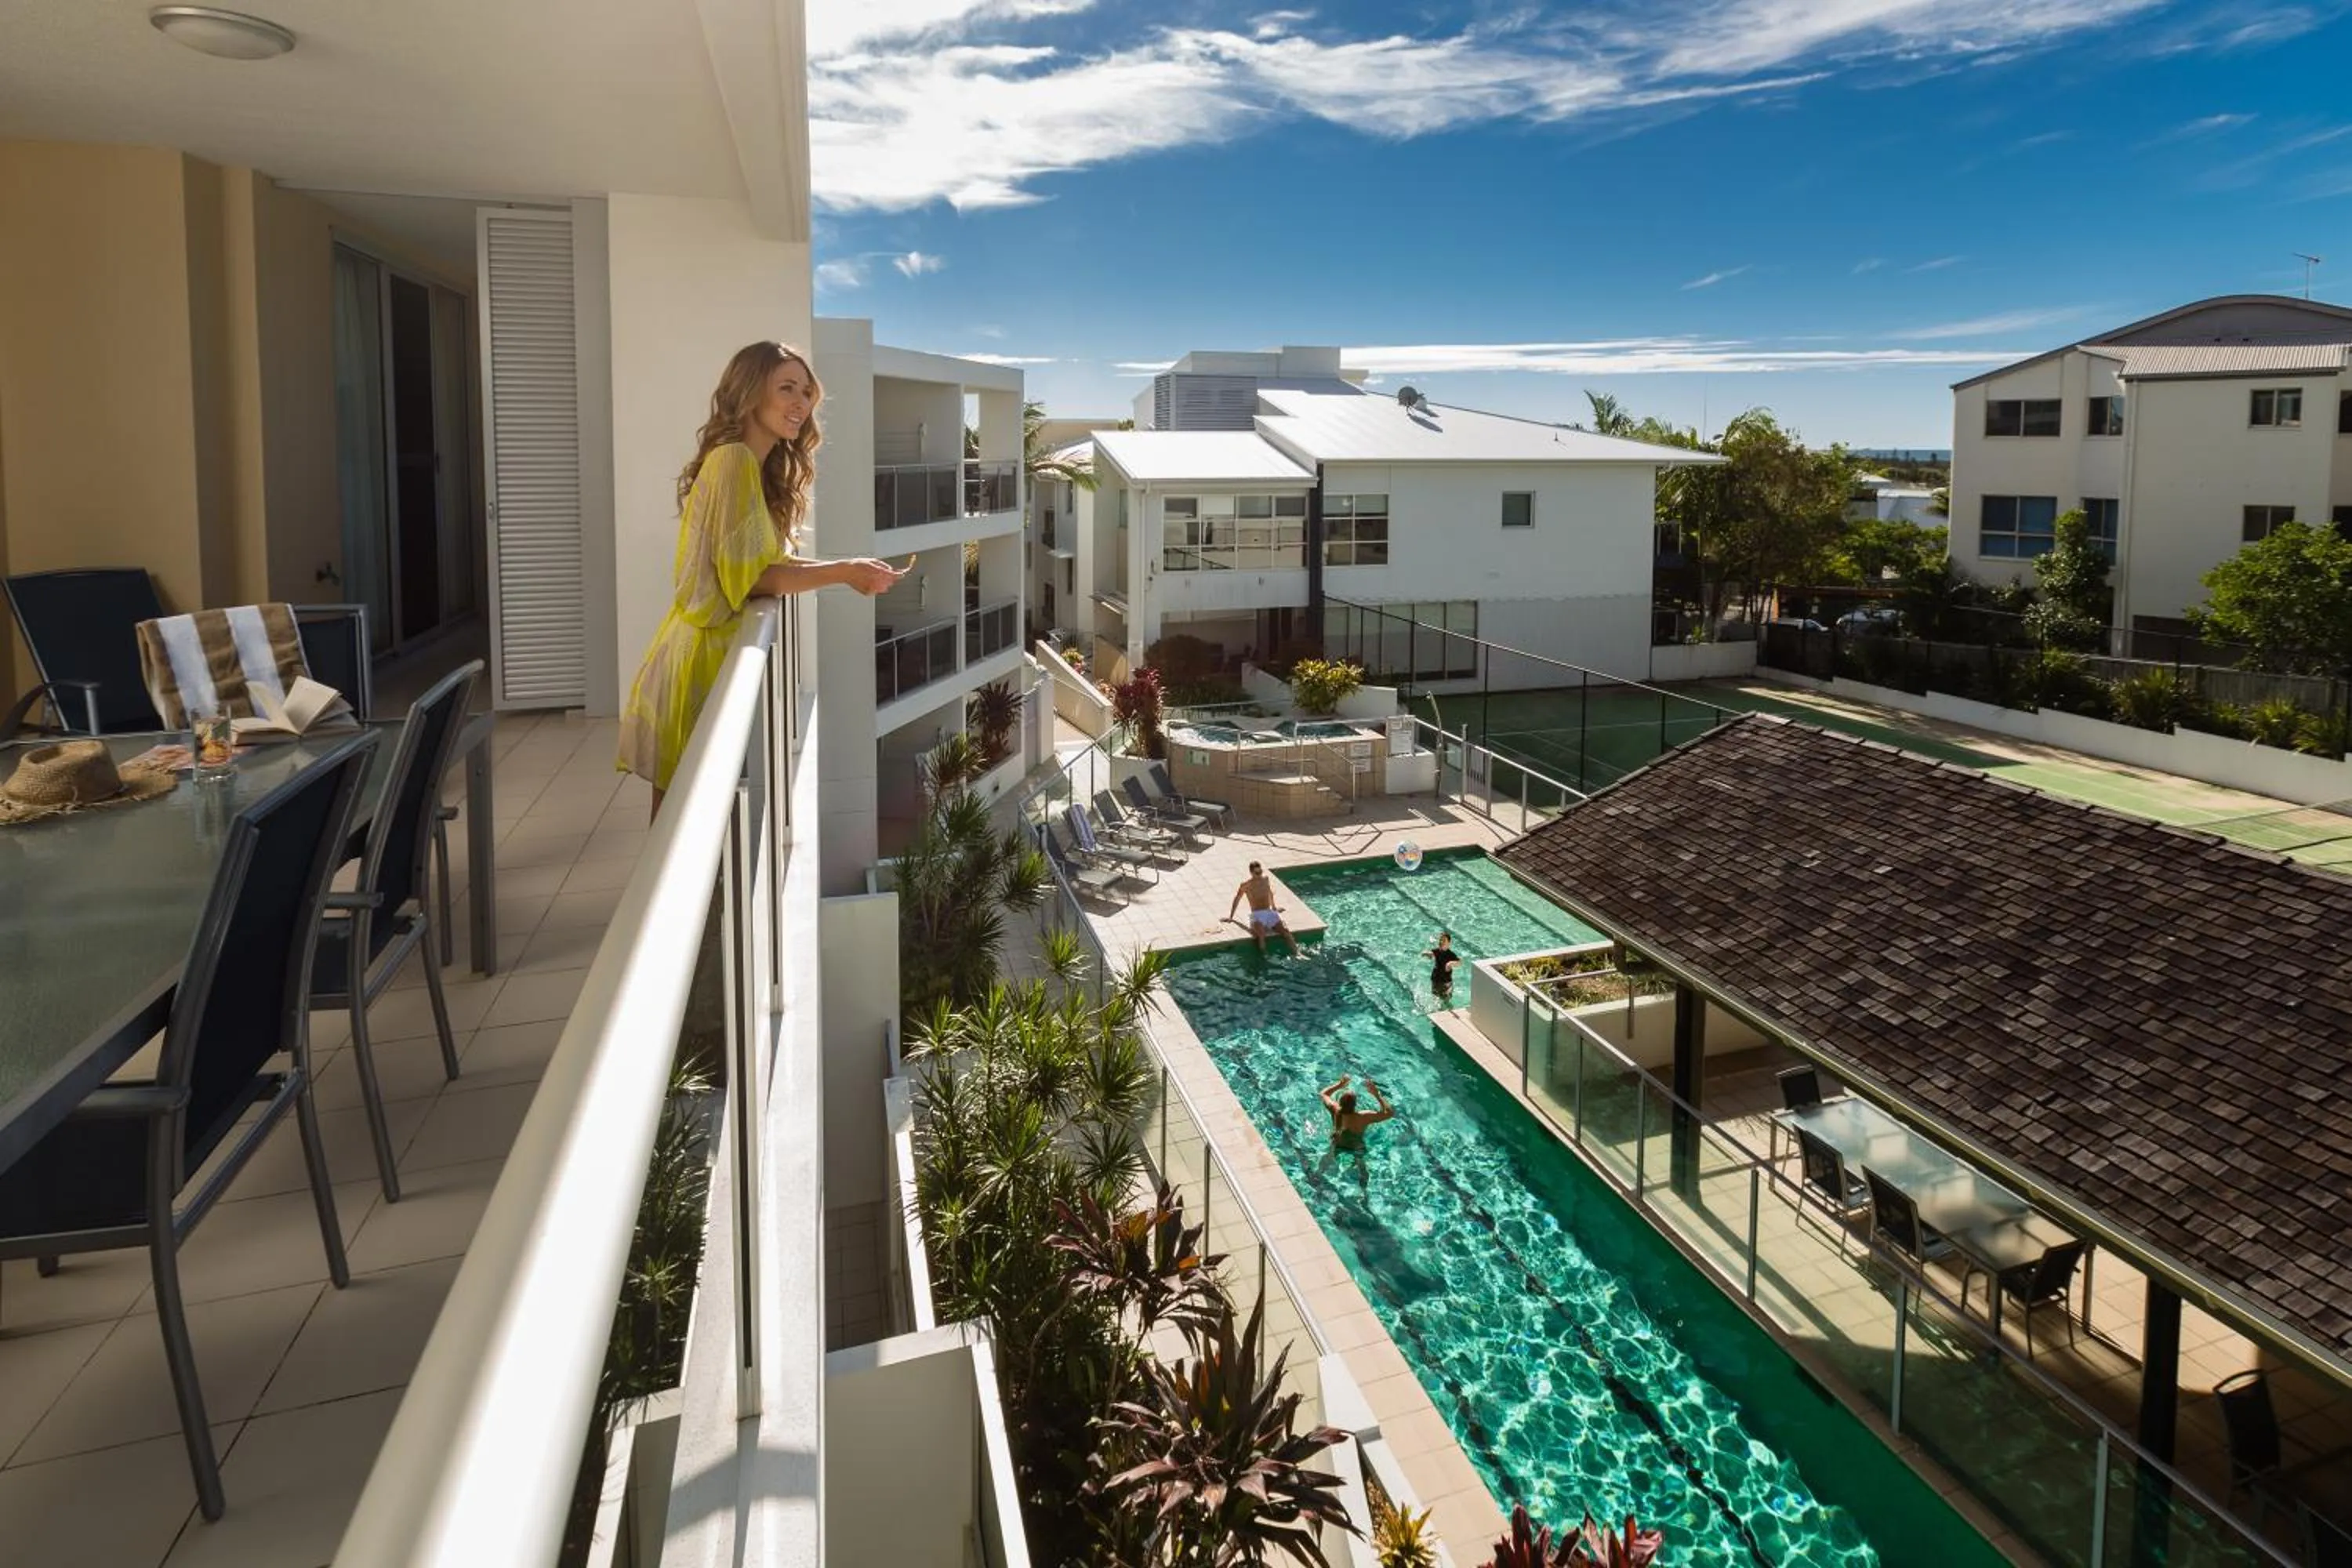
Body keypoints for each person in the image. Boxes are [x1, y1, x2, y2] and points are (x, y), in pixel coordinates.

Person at [619, 341, 907, 817]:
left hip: (705, 653)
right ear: (751, 393)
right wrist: (843, 572)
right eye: (786, 388)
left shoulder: (751, 467)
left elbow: (765, 565)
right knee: (681, 827)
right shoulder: (733, 461)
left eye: (807, 391)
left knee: (684, 819)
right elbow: (752, 580)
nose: (801, 403)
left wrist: (853, 569)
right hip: (701, 661)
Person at [1226, 860, 1300, 956]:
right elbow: (1237, 899)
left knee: (1286, 931)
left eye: (1261, 872)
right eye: (1257, 873)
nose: (1259, 874)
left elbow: (1270, 894)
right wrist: (1231, 917)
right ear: (1251, 873)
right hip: (1257, 915)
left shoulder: (1265, 879)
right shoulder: (1246, 885)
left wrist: (1274, 908)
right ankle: (1265, 956)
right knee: (1261, 935)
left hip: (1269, 913)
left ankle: (1298, 953)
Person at [1320, 1074, 1396, 1149]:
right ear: (1355, 1104)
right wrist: (1377, 1095)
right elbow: (1389, 1113)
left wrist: (1340, 1084)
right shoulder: (1363, 1117)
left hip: (1336, 1144)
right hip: (1356, 1147)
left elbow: (1323, 1094)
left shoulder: (1334, 1109)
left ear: (1340, 1102)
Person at [1424, 931, 1461, 1001]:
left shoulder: (1451, 955)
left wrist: (1451, 963)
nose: (1441, 942)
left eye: (1444, 940)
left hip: (1446, 983)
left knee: (1446, 1001)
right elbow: (1430, 953)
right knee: (1435, 999)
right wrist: (1426, 953)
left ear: (1449, 943)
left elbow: (1459, 962)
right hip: (1435, 980)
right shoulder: (1436, 951)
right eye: (1440, 940)